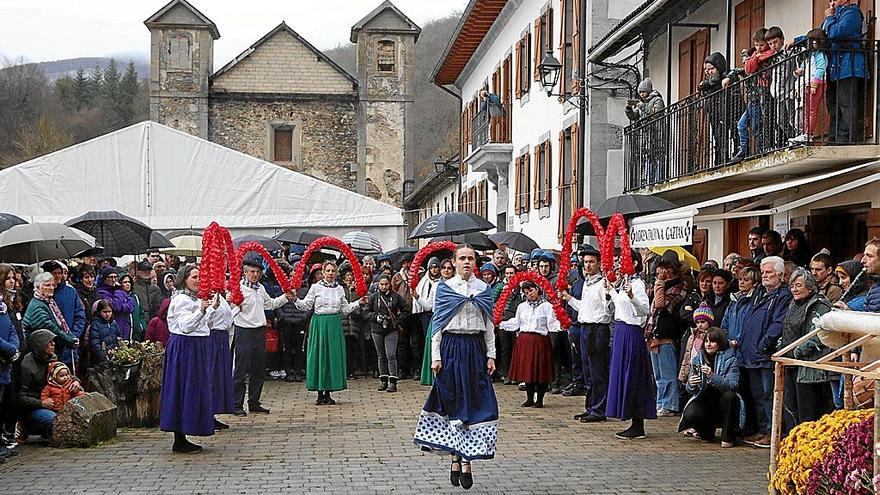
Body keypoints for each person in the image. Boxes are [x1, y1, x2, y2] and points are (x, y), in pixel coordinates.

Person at [413, 245, 498, 490]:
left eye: (471, 258)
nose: (467, 262)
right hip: (451, 348)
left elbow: (489, 324)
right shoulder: (444, 289)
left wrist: (491, 355)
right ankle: (454, 457)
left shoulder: (484, 289)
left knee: (475, 404)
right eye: (462, 258)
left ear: (476, 263)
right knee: (452, 402)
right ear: (454, 262)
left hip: (474, 348)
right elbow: (437, 326)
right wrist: (435, 357)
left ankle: (468, 460)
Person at [160, 265, 218, 453]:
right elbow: (186, 326)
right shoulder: (181, 300)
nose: (198, 280)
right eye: (194, 276)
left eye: (200, 276)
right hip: (186, 347)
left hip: (195, 346)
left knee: (191, 389)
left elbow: (204, 325)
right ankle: (179, 438)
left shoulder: (195, 298)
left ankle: (185, 432)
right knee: (182, 389)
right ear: (183, 278)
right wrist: (201, 310)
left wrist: (210, 310)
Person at [293, 261, 366, 405]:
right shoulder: (315, 288)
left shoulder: (339, 289)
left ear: (336, 273)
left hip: (334, 323)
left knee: (332, 356)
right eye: (328, 271)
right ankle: (320, 392)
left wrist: (358, 302)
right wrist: (295, 299)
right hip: (319, 323)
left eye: (333, 271)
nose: (330, 273)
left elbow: (344, 309)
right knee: (320, 355)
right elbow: (306, 305)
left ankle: (328, 391)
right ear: (323, 272)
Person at [229, 255, 294, 416]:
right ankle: (237, 403)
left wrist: (285, 297)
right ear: (245, 273)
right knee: (241, 369)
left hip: (259, 331)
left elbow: (270, 304)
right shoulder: (238, 289)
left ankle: (254, 401)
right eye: (252, 271)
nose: (255, 275)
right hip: (244, 331)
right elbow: (231, 310)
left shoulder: (260, 288)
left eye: (258, 272)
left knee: (258, 369)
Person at [739, 256, 792, 448]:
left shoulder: (782, 296)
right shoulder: (760, 293)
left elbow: (778, 323)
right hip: (751, 355)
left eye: (769, 272)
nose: (765, 276)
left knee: (770, 395)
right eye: (763, 272)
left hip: (765, 354)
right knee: (758, 396)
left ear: (780, 274)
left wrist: (764, 344)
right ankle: (763, 430)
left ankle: (773, 432)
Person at [605, 251, 655, 439]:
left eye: (624, 261)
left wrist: (632, 296)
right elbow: (620, 306)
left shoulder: (638, 284)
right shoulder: (626, 282)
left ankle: (637, 422)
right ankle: (632, 419)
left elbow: (645, 309)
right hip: (621, 331)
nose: (620, 264)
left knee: (632, 375)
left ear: (634, 262)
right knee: (623, 374)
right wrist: (611, 291)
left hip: (631, 333)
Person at [779, 268, 834, 435]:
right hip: (790, 363)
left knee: (808, 414)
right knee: (791, 409)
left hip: (810, 367)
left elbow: (819, 334)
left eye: (798, 285)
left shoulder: (820, 305)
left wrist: (799, 351)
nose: (794, 289)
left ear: (810, 287)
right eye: (792, 286)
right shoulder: (793, 304)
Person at [562, 244, 613, 422]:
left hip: (597, 329)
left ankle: (599, 409)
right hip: (585, 328)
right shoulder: (587, 283)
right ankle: (591, 406)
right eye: (585, 262)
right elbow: (584, 308)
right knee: (588, 370)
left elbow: (608, 308)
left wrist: (608, 295)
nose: (587, 265)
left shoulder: (602, 283)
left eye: (591, 262)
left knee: (598, 370)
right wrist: (569, 299)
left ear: (598, 263)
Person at [679, 328, 744, 448]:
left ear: (720, 343)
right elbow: (690, 389)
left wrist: (712, 376)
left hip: (722, 400)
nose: (708, 344)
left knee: (731, 397)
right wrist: (691, 384)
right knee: (691, 413)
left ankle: (728, 436)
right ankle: (706, 432)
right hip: (705, 399)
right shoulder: (698, 358)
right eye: (706, 341)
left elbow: (732, 385)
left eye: (712, 341)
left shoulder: (730, 359)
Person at [500, 280, 558, 408]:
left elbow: (552, 323)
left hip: (539, 340)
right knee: (527, 370)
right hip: (524, 340)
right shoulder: (522, 307)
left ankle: (540, 399)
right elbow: (516, 322)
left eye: (531, 290)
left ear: (537, 289)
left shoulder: (547, 306)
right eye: (526, 292)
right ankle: (529, 398)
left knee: (540, 370)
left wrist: (563, 325)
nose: (529, 294)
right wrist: (501, 323)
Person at [646, 251, 688, 417]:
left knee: (668, 374)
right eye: (661, 270)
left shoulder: (680, 286)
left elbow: (661, 303)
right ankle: (660, 402)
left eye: (667, 269)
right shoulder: (657, 284)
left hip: (668, 334)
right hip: (653, 333)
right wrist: (658, 284)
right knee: (657, 374)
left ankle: (669, 405)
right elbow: (651, 301)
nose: (664, 273)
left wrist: (661, 284)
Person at [726, 28, 774, 163]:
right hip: (753, 97)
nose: (758, 48)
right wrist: (730, 76)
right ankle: (743, 150)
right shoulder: (756, 55)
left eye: (761, 45)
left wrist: (752, 59)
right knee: (742, 125)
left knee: (756, 125)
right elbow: (747, 68)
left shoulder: (767, 54)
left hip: (761, 95)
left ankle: (761, 149)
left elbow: (750, 67)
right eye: (757, 45)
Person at [22, 272, 79, 371]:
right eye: (47, 285)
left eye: (53, 285)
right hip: (39, 353)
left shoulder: (49, 301)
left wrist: (72, 336)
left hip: (48, 349)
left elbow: (61, 324)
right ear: (38, 287)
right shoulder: (37, 305)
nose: (51, 288)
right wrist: (70, 340)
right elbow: (51, 327)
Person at [364, 274, 408, 393]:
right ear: (378, 284)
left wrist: (396, 321)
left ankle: (393, 380)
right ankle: (383, 379)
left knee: (391, 354)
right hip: (376, 329)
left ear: (390, 284)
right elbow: (366, 312)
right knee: (380, 355)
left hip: (391, 329)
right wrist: (375, 317)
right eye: (381, 284)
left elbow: (406, 309)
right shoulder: (373, 297)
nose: (383, 287)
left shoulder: (395, 296)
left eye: (386, 284)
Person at [16, 329, 58, 441]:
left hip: (53, 399)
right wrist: (41, 403)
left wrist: (74, 381)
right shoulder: (27, 365)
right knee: (54, 419)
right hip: (34, 406)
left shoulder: (52, 358)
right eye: (50, 342)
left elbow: (63, 375)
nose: (53, 344)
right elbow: (21, 397)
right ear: (41, 345)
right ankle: (27, 427)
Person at [791, 28, 830, 143]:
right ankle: (805, 133)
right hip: (808, 83)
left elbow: (821, 69)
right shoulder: (810, 55)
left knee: (812, 110)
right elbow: (805, 67)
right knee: (807, 110)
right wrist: (798, 71)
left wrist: (815, 84)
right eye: (811, 41)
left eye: (815, 42)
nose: (813, 44)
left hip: (817, 84)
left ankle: (808, 134)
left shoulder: (820, 55)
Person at [625, 78, 666, 183]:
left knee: (659, 156)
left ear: (648, 91)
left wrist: (642, 106)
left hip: (658, 133)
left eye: (643, 92)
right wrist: (628, 109)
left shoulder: (657, 100)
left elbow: (656, 113)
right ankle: (650, 181)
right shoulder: (641, 103)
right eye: (640, 92)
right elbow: (634, 116)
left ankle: (659, 180)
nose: (641, 94)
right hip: (647, 135)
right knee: (649, 156)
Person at [698, 52, 733, 165]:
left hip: (728, 109)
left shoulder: (727, 77)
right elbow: (704, 94)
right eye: (706, 70)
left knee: (732, 132)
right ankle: (719, 160)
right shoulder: (708, 83)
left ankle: (733, 155)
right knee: (718, 136)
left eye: (711, 68)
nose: (709, 72)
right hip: (714, 111)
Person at [207, 290, 234, 429]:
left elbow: (227, 320)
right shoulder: (208, 295)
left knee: (220, 376)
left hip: (223, 337)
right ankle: (208, 415)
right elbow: (207, 320)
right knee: (212, 375)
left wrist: (236, 309)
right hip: (213, 337)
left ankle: (213, 413)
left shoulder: (220, 296)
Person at [413, 257, 443, 386]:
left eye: (437, 267)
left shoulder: (450, 284)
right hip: (433, 318)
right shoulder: (433, 285)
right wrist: (417, 297)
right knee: (432, 345)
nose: (435, 270)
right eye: (432, 267)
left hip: (446, 319)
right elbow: (429, 305)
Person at [391, 256, 419, 381]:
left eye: (409, 262)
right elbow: (393, 291)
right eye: (405, 263)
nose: (407, 265)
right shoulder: (397, 277)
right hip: (402, 313)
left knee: (416, 342)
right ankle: (402, 369)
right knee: (402, 343)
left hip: (416, 312)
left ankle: (416, 368)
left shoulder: (419, 275)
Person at [95, 268, 137, 341]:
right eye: (110, 277)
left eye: (115, 277)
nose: (114, 280)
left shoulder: (119, 291)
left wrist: (123, 306)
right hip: (111, 329)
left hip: (125, 327)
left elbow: (132, 304)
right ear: (104, 278)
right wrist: (118, 291)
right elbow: (116, 306)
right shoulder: (101, 292)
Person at [679, 303, 714, 386]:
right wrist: (683, 375)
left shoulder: (712, 335)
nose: (700, 325)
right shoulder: (692, 336)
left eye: (703, 322)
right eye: (697, 322)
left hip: (704, 368)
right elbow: (687, 356)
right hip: (691, 367)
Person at [88, 300, 122, 364]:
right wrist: (104, 357)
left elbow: (119, 338)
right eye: (104, 312)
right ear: (99, 312)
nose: (107, 314)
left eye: (109, 311)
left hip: (115, 357)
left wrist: (118, 353)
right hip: (100, 361)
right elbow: (95, 344)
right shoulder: (95, 325)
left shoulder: (114, 323)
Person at [118, 273, 147, 341]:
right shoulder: (118, 298)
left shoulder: (135, 297)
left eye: (129, 282)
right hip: (123, 334)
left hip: (136, 335)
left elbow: (141, 313)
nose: (128, 284)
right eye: (125, 282)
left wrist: (141, 326)